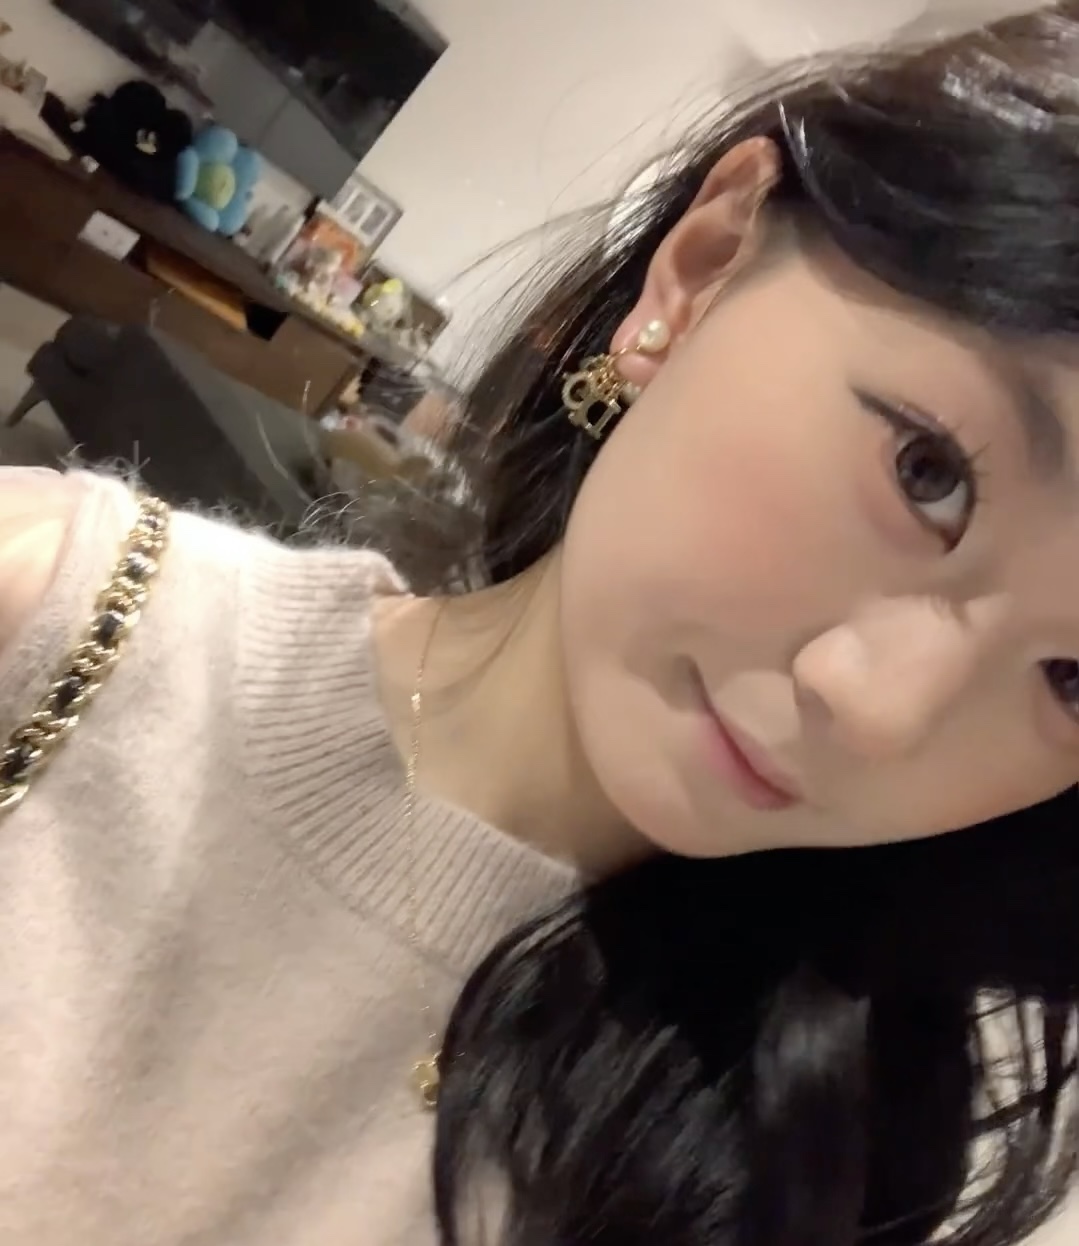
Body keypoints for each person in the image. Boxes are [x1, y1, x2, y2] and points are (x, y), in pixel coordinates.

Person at [4, 5, 1079, 1245]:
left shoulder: (839, 1157)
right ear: (703, 264)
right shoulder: (51, 623)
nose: (879, 711)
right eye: (926, 472)